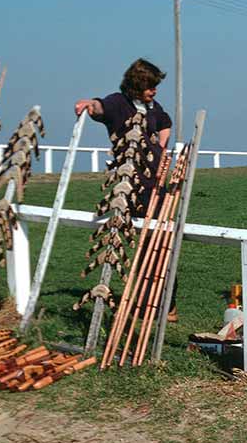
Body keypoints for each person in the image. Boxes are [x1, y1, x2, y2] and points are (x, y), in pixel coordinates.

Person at [74, 58, 178, 321]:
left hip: (156, 184)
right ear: (136, 85)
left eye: (155, 86)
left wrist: (161, 149)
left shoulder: (152, 106)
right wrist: (89, 104)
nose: (153, 91)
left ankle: (166, 305)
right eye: (149, 86)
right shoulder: (119, 103)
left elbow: (165, 122)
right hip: (130, 186)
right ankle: (145, 302)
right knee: (137, 242)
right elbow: (100, 109)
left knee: (159, 242)